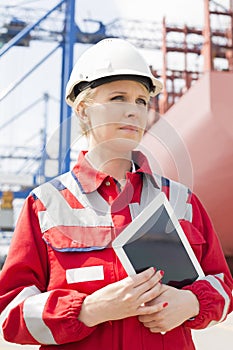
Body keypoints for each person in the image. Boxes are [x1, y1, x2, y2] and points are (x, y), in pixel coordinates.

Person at [0, 38, 232, 350]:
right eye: (119, 97)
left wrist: (191, 302)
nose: (134, 111)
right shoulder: (45, 205)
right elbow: (10, 313)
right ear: (83, 111)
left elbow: (224, 286)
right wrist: (87, 311)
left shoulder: (183, 202)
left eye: (141, 101)